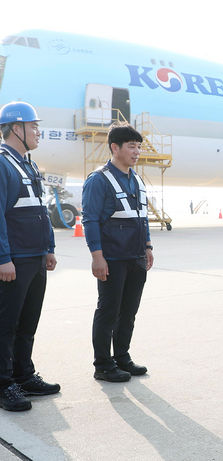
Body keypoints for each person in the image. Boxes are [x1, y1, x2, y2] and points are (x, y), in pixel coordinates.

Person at [82, 124, 154, 383]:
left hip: (135, 257)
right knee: (108, 311)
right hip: (112, 258)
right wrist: (96, 256)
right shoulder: (99, 180)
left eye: (139, 147)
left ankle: (122, 357)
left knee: (129, 311)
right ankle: (103, 364)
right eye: (131, 146)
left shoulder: (135, 178)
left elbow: (141, 217)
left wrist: (147, 246)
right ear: (115, 147)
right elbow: (89, 220)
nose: (137, 152)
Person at [0, 101, 60, 412]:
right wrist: (2, 257)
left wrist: (48, 248)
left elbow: (42, 211)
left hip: (35, 258)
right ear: (15, 129)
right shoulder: (2, 164)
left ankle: (23, 375)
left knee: (28, 322)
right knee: (6, 324)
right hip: (14, 260)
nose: (38, 131)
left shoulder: (30, 165)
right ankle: (4, 383)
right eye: (32, 126)